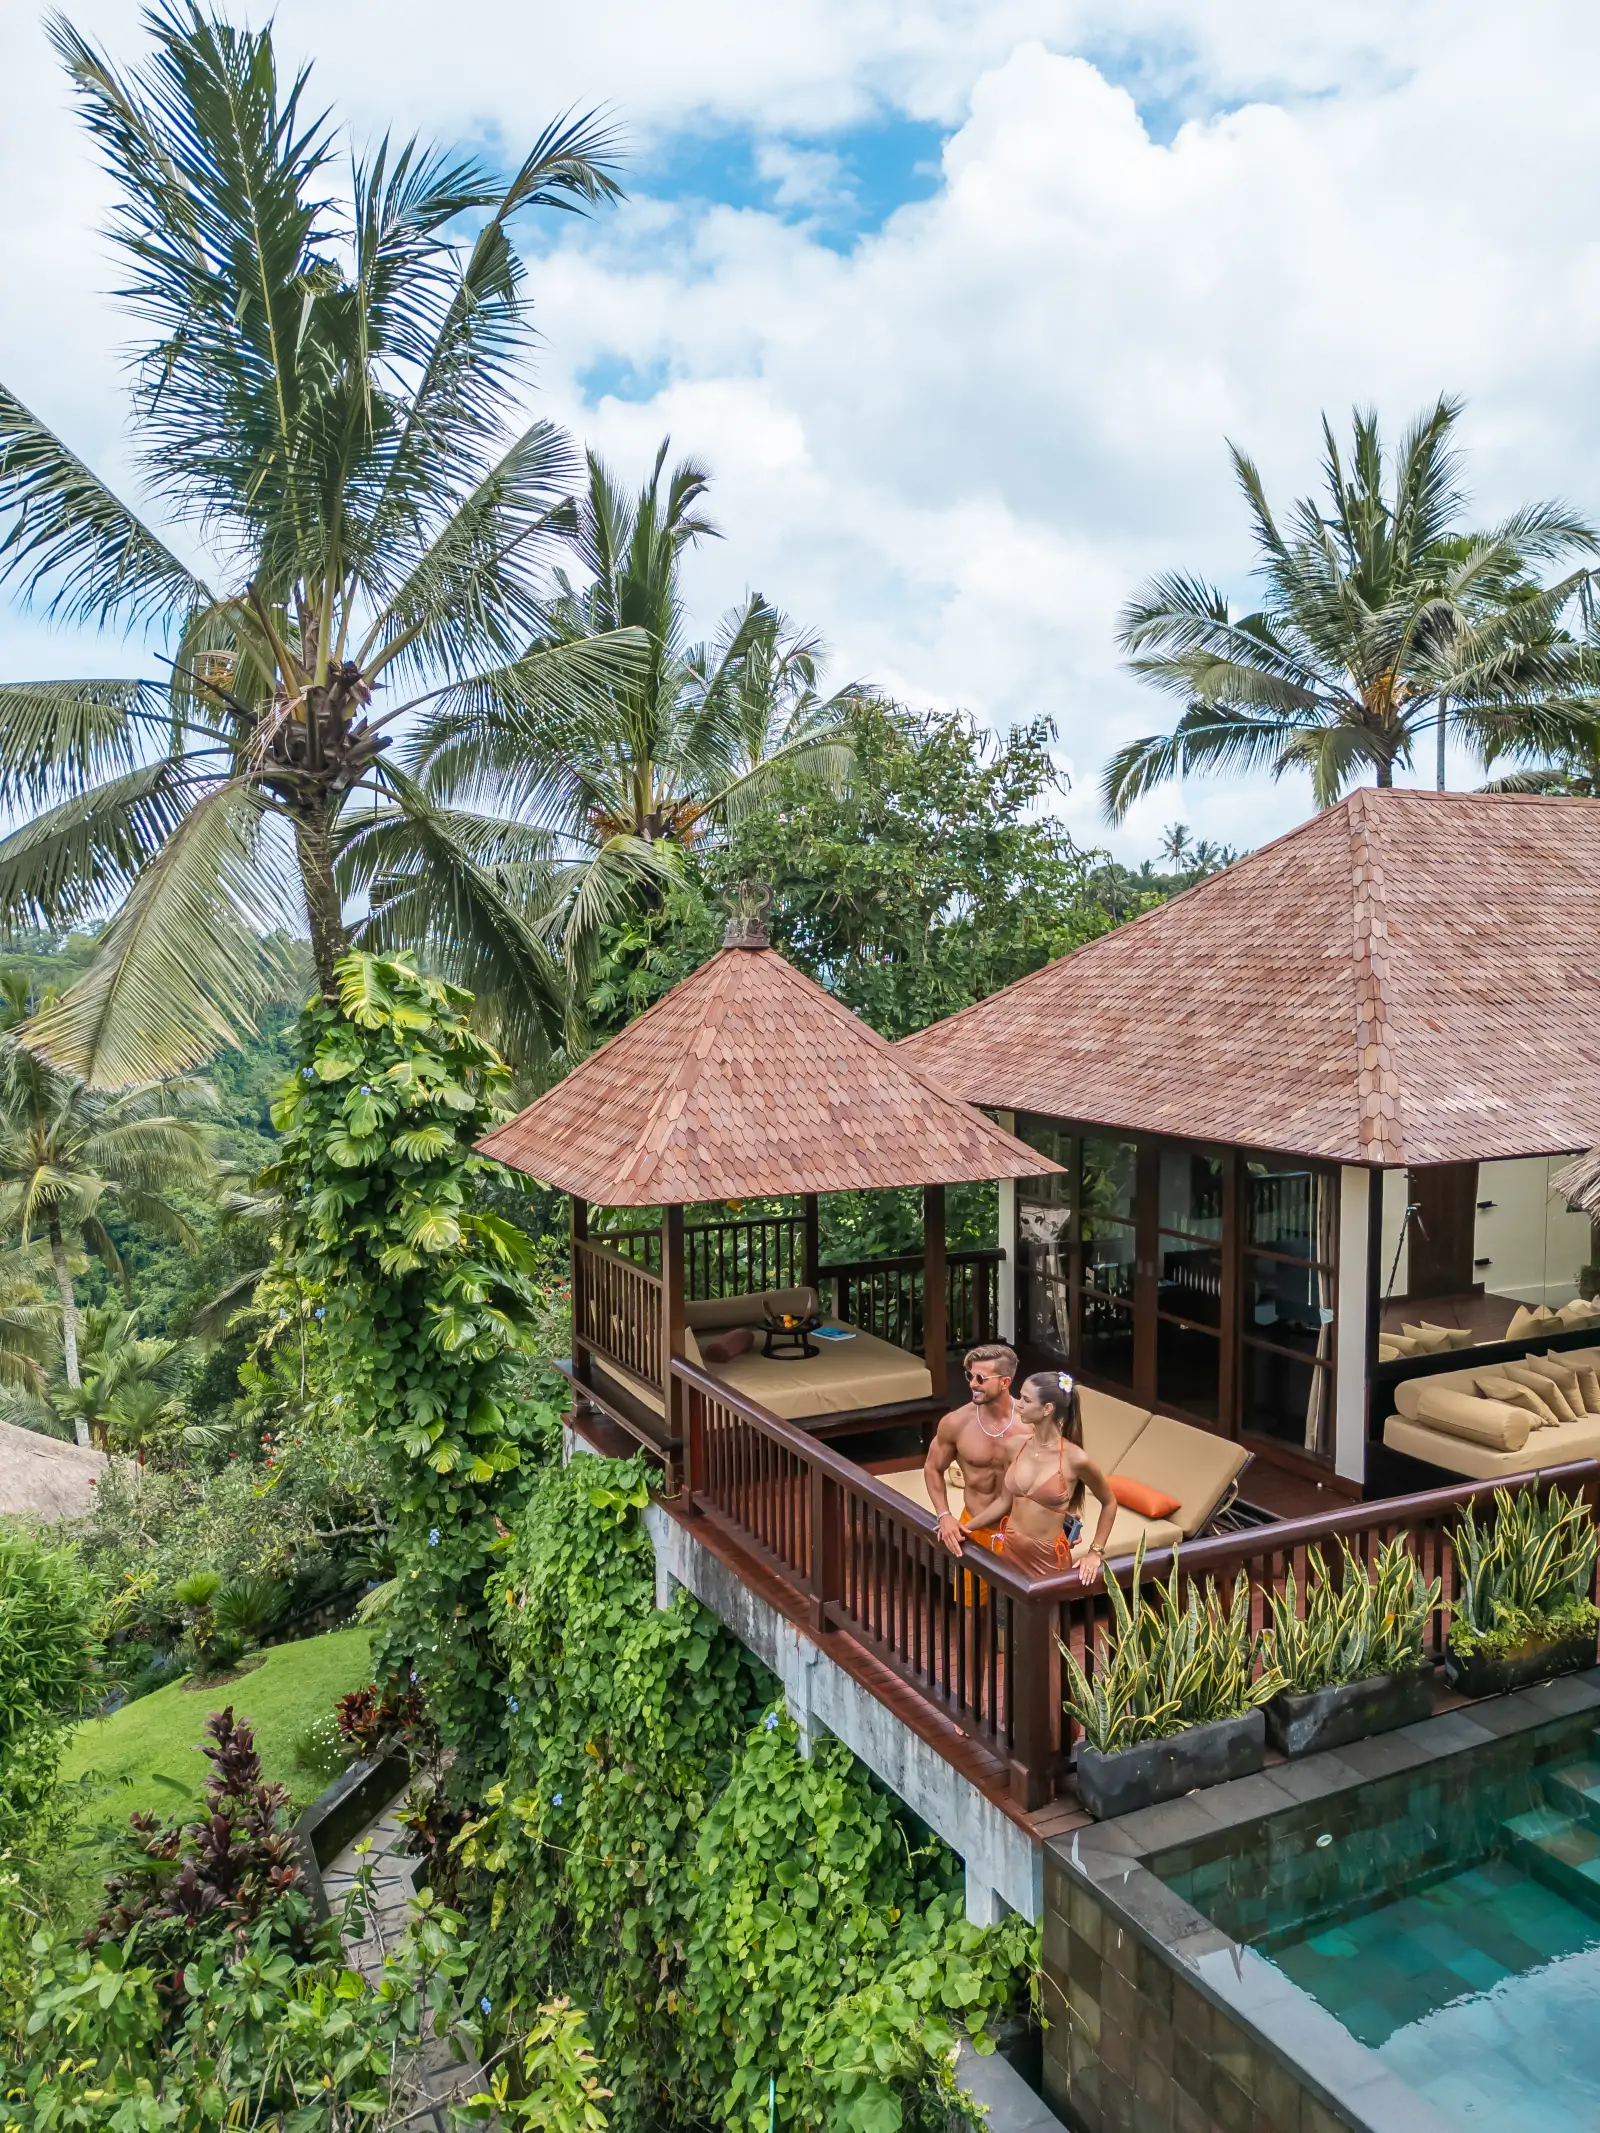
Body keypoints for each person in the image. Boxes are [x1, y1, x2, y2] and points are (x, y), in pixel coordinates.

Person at [986, 1371, 1118, 1589]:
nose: (1018, 1404)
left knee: (1047, 1623)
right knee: (1005, 1620)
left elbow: (1110, 1502)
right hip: (1009, 1548)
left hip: (1047, 1560)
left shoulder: (1076, 1459)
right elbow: (1003, 1501)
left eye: (1026, 1400)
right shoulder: (1014, 1446)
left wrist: (1095, 1553)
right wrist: (964, 1527)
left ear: (1047, 1409)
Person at [924, 1343, 1031, 1561]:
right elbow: (932, 1468)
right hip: (974, 1530)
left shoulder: (1032, 1424)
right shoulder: (956, 1422)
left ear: (1005, 1382)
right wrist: (944, 1515)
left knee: (1024, 1596)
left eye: (981, 1379)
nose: (972, 1384)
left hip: (1026, 1533)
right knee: (970, 1596)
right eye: (970, 1376)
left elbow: (1059, 1472)